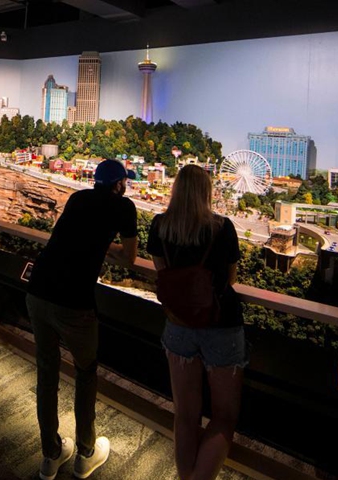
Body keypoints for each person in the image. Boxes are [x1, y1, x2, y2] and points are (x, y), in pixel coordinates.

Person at [26, 159, 137, 480]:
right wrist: (106, 247)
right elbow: (129, 257)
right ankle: (86, 454)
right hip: (74, 303)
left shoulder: (77, 198)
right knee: (86, 373)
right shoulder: (124, 207)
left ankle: (50, 455)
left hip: (37, 292)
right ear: (119, 184)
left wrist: (97, 245)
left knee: (46, 373)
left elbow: (70, 238)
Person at [145, 164, 246, 480]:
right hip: (221, 325)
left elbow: (163, 273)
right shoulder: (223, 228)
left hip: (178, 325)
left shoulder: (160, 226)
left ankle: (186, 475)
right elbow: (229, 279)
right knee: (224, 417)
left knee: (186, 415)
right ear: (207, 193)